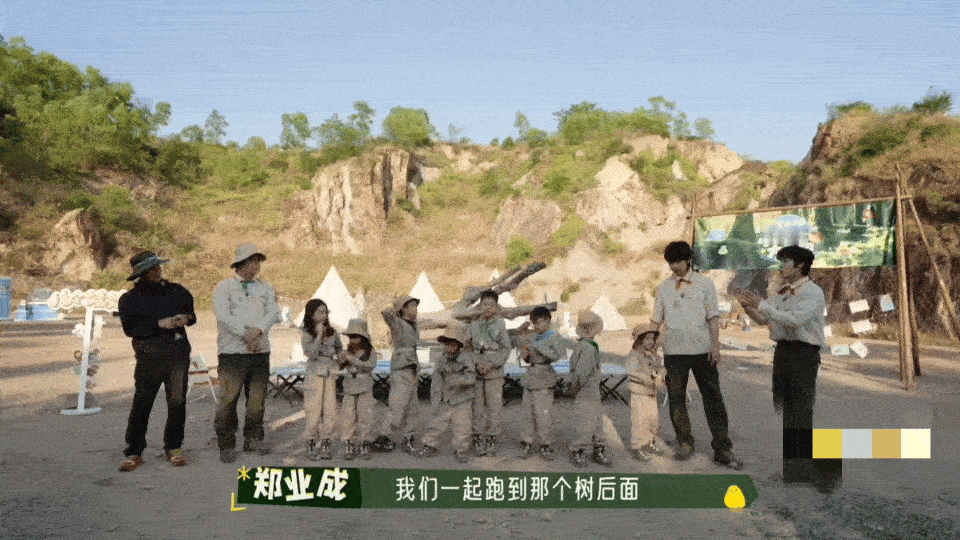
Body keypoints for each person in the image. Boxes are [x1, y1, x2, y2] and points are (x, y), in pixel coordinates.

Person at [735, 245, 841, 493]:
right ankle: (793, 471)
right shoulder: (781, 292)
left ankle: (814, 471)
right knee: (788, 410)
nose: (782, 267)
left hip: (804, 353)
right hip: (783, 352)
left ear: (800, 265)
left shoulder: (813, 292)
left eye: (786, 262)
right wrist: (747, 305)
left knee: (801, 410)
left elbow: (796, 321)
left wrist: (762, 304)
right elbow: (763, 318)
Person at [652, 240, 743, 470]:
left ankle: (722, 448)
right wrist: (647, 343)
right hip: (674, 352)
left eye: (678, 261)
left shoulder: (705, 283)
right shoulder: (663, 287)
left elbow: (713, 316)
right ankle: (684, 442)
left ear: (688, 260)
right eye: (671, 262)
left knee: (713, 399)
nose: (674, 266)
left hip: (703, 351)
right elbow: (656, 319)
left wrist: (716, 346)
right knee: (676, 399)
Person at [117, 251, 197, 472]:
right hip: (149, 357)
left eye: (158, 266)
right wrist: (159, 324)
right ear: (141, 273)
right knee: (142, 403)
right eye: (152, 268)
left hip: (178, 355)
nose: (157, 270)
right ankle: (134, 452)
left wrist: (185, 318)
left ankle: (174, 448)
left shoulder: (177, 290)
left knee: (177, 402)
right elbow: (130, 329)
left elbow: (191, 315)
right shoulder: (129, 299)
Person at [212, 243, 280, 463]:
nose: (257, 265)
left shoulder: (266, 287)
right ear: (241, 263)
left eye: (259, 261)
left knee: (257, 400)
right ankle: (226, 444)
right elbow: (223, 315)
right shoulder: (224, 287)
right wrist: (245, 334)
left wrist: (257, 331)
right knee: (228, 399)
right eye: (253, 260)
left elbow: (273, 312)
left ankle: (253, 439)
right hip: (232, 352)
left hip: (260, 351)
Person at [378, 295, 444, 454]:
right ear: (404, 308)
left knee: (412, 407)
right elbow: (386, 313)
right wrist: (397, 308)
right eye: (412, 306)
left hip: (413, 369)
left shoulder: (415, 325)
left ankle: (409, 437)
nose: (416, 309)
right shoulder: (397, 322)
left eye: (416, 305)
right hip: (401, 369)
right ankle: (384, 436)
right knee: (397, 405)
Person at [419, 323, 476, 463]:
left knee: (463, 427)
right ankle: (429, 445)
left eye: (452, 344)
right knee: (436, 423)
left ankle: (461, 450)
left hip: (463, 400)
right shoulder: (441, 360)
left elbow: (472, 378)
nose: (448, 347)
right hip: (446, 399)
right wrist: (435, 401)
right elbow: (436, 382)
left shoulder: (467, 358)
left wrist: (459, 380)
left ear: (459, 346)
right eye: (446, 344)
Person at [516, 306, 563, 461]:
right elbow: (526, 359)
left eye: (539, 322)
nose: (536, 325)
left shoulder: (553, 336)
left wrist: (539, 348)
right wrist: (525, 354)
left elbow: (557, 356)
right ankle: (527, 442)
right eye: (534, 322)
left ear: (548, 321)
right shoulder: (533, 336)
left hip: (544, 377)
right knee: (527, 414)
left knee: (543, 414)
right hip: (530, 376)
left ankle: (545, 444)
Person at [469, 290, 513, 456]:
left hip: (494, 373)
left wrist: (491, 364)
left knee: (494, 408)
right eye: (484, 304)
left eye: (491, 305)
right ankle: (477, 437)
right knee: (477, 408)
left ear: (496, 307)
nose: (487, 308)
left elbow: (506, 348)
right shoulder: (474, 325)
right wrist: (476, 363)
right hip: (477, 372)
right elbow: (468, 347)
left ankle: (491, 438)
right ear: (480, 306)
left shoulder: (500, 324)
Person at [567, 309, 612, 468]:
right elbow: (582, 373)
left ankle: (598, 449)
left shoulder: (586, 345)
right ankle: (577, 450)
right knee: (585, 423)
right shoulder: (587, 348)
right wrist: (576, 387)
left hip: (591, 391)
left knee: (597, 422)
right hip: (586, 391)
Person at [300, 299, 343, 460]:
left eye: (325, 312)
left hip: (330, 372)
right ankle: (311, 441)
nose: (323, 315)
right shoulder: (306, 332)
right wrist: (318, 335)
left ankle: (326, 441)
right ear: (311, 314)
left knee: (330, 409)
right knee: (313, 408)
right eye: (319, 312)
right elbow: (310, 354)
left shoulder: (332, 331)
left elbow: (339, 347)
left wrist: (338, 358)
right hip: (314, 373)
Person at [626, 323, 668, 462]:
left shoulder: (652, 355)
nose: (651, 341)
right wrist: (649, 379)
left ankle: (649, 442)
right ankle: (637, 447)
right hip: (639, 393)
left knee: (652, 420)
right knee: (640, 421)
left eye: (652, 338)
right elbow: (632, 372)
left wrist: (660, 375)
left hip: (651, 393)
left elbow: (661, 368)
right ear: (639, 340)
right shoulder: (634, 355)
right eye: (647, 338)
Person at [337, 318, 376, 461]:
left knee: (366, 416)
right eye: (351, 337)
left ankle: (365, 442)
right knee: (348, 417)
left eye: (356, 336)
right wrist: (341, 359)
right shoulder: (346, 351)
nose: (353, 340)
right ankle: (349, 443)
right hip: (349, 388)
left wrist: (353, 360)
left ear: (363, 337)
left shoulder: (370, 351)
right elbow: (339, 366)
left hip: (365, 387)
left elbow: (370, 365)